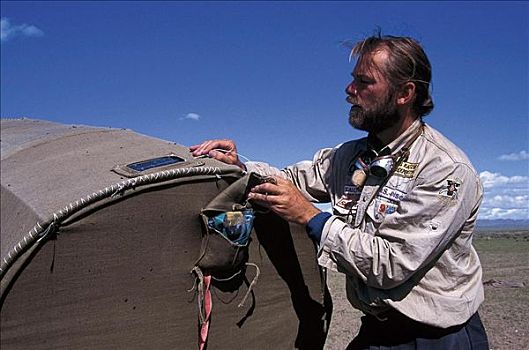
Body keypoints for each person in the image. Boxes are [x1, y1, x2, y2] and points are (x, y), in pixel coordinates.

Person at [190, 33, 489, 349]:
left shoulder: (445, 168)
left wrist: (310, 218)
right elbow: (292, 180)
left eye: (364, 82)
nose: (349, 90)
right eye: (352, 80)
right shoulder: (351, 156)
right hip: (378, 328)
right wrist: (241, 168)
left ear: (404, 93)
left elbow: (391, 265)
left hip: (435, 338)